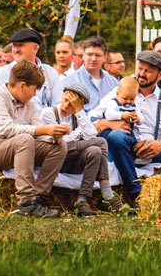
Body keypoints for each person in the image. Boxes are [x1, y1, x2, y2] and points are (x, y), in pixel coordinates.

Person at [0, 59, 70, 218]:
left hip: (14, 147)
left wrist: (55, 134)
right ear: (22, 86)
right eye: (34, 89)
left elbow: (38, 129)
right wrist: (43, 130)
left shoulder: (29, 103)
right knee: (25, 139)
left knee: (59, 146)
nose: (35, 94)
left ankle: (39, 197)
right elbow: (6, 130)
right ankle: (25, 203)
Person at [94, 50, 161, 201]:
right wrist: (108, 123)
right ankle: (135, 192)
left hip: (150, 151)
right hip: (121, 146)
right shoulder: (121, 90)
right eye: (140, 69)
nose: (142, 74)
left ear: (160, 75)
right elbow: (92, 117)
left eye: (148, 71)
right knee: (116, 136)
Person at [41, 80, 113, 215]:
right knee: (101, 142)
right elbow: (58, 143)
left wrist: (80, 111)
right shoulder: (49, 113)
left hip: (71, 161)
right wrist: (75, 133)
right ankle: (108, 193)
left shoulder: (78, 117)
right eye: (65, 100)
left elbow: (90, 136)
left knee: (95, 151)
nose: (66, 106)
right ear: (61, 96)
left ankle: (82, 199)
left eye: (72, 105)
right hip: (54, 159)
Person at [0, 29, 61, 110]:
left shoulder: (50, 72)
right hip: (16, 121)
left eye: (20, 45)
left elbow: (58, 104)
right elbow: (0, 106)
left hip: (48, 120)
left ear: (35, 48)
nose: (16, 49)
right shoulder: (3, 72)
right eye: (14, 45)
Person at [68, 35, 119, 110]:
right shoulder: (70, 81)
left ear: (105, 57)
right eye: (89, 54)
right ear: (83, 56)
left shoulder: (113, 83)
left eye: (98, 55)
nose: (93, 59)